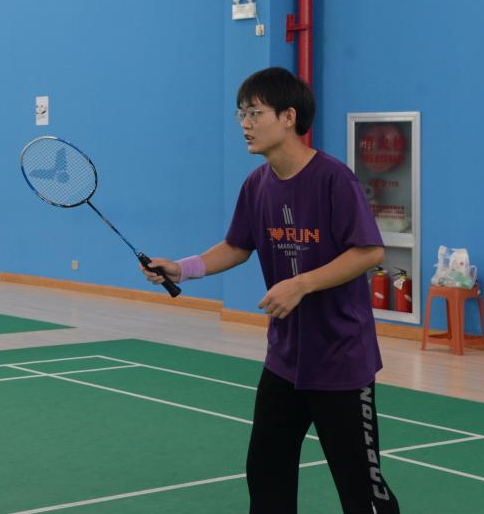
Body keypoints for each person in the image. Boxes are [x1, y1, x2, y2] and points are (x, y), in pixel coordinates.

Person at [142, 67, 399, 513]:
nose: (244, 123)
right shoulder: (256, 186)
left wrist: (301, 284)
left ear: (288, 117)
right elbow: (237, 246)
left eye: (255, 112)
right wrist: (181, 269)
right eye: (241, 113)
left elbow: (369, 251)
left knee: (362, 490)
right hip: (285, 360)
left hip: (341, 360)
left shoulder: (334, 180)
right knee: (266, 474)